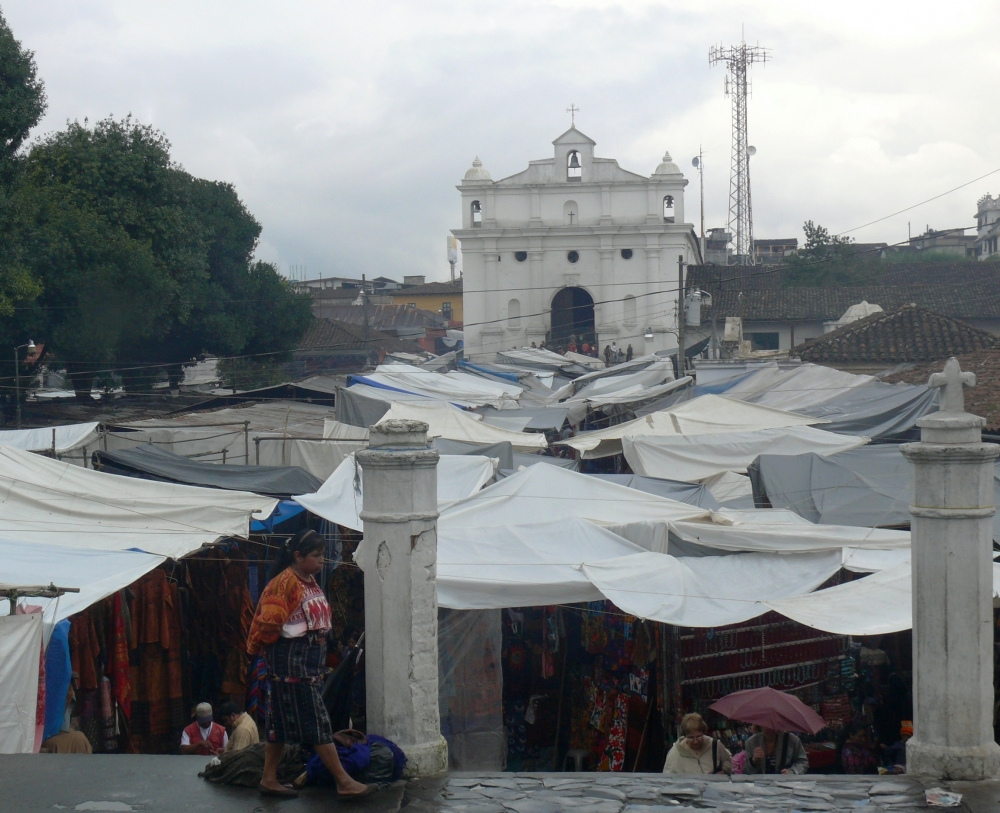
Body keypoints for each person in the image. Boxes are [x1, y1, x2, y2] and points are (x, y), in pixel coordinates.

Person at [247, 529, 376, 800]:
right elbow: (268, 626)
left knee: (278, 723)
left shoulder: (309, 580)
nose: (321, 560)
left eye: (322, 555)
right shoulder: (284, 584)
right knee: (317, 721)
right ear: (298, 556)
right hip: (291, 665)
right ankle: (344, 781)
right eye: (316, 555)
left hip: (305, 664)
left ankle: (269, 779)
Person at [663, 713, 732, 775]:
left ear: (703, 733)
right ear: (685, 736)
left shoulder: (715, 745)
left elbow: (728, 760)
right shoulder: (675, 753)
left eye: (699, 736)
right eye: (691, 738)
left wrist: (723, 771)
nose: (695, 741)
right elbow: (667, 778)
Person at [743, 726, 809, 774]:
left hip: (787, 785)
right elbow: (746, 772)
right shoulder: (751, 742)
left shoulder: (792, 740)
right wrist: (753, 761)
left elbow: (803, 762)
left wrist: (792, 772)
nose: (766, 726)